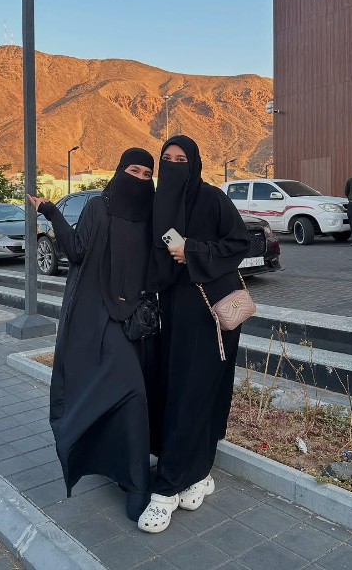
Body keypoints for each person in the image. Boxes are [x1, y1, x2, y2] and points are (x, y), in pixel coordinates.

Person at [27, 148, 158, 522]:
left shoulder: (150, 216)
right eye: (133, 170)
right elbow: (77, 250)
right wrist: (49, 211)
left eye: (147, 173)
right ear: (119, 171)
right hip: (97, 316)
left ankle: (124, 470)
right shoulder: (99, 208)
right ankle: (136, 485)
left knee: (130, 394)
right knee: (130, 392)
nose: (140, 178)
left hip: (137, 319)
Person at [138, 135, 250, 534]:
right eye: (166, 159)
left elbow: (240, 242)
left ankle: (165, 491)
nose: (173, 165)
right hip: (171, 314)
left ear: (195, 162)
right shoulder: (158, 203)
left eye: (180, 159)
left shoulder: (212, 198)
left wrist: (193, 252)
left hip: (208, 315)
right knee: (176, 393)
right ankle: (199, 473)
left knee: (196, 393)